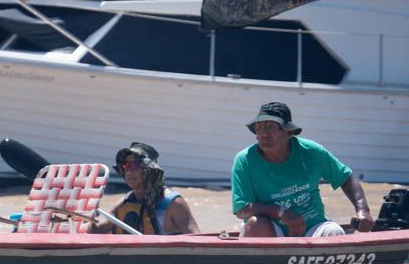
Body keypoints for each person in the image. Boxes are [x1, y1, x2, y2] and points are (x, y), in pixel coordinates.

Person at [232, 101, 373, 237]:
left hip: (312, 227)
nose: (264, 134)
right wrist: (281, 212)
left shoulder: (311, 151)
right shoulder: (245, 160)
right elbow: (241, 209)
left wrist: (363, 211)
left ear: (289, 132)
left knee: (334, 231)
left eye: (270, 127)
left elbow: (345, 178)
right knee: (256, 224)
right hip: (272, 231)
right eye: (260, 128)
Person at [92, 142, 200, 234]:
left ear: (150, 170)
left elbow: (198, 240)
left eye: (135, 165)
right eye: (126, 165)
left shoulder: (173, 204)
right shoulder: (124, 203)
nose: (129, 171)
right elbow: (96, 231)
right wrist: (84, 214)